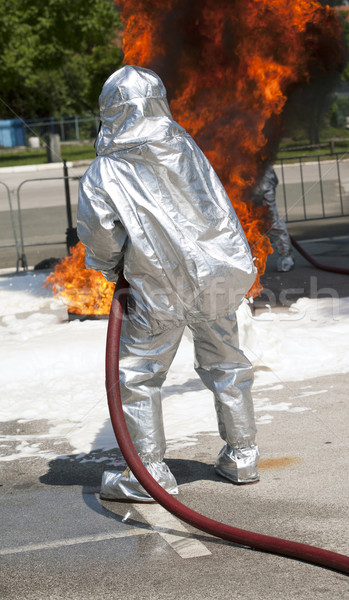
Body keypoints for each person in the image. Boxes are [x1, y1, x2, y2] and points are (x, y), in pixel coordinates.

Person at [77, 65, 260, 502]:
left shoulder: (105, 171)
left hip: (156, 287)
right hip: (216, 275)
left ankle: (149, 475)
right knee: (229, 365)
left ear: (109, 110)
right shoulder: (185, 148)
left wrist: (110, 272)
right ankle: (242, 456)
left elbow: (101, 234)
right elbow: (216, 206)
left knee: (138, 376)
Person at [252, 165, 295, 272]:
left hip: (262, 188)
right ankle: (253, 261)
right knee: (249, 224)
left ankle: (286, 258)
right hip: (248, 187)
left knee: (272, 223)